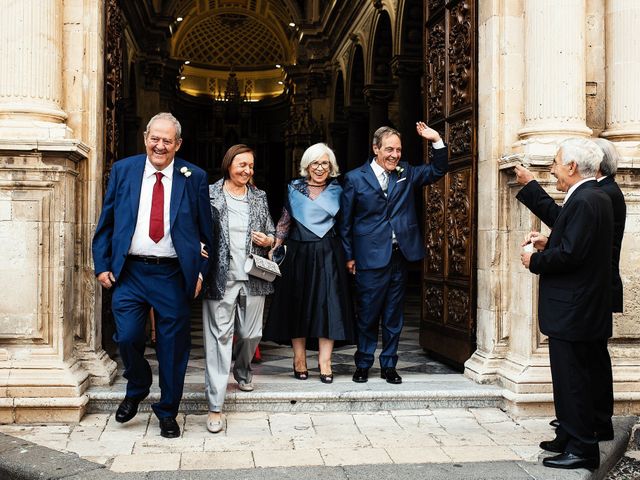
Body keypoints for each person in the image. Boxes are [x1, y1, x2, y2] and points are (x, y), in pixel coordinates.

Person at [92, 112, 213, 438]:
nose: (159, 145)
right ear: (146, 137)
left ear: (178, 144)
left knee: (173, 348)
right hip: (130, 272)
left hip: (172, 274)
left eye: (167, 140)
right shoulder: (124, 170)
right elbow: (107, 221)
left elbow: (207, 231)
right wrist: (102, 264)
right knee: (128, 337)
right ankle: (138, 385)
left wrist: (201, 272)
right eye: (154, 138)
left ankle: (168, 411)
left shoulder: (194, 177)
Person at [514, 137, 626, 439]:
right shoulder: (598, 194)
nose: (554, 168)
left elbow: (575, 248)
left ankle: (585, 430)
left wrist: (536, 259)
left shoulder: (597, 196)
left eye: (557, 161)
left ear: (580, 165)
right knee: (584, 368)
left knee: (582, 370)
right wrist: (550, 241)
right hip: (587, 295)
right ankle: (580, 426)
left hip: (584, 297)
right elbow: (575, 235)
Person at [339, 123, 448, 385]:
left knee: (393, 316)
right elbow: (345, 223)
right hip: (368, 257)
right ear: (376, 149)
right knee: (367, 314)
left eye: (398, 150)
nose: (394, 155)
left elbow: (437, 170)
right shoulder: (355, 178)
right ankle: (364, 363)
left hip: (399, 256)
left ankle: (389, 365)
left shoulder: (406, 172)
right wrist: (349, 256)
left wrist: (436, 140)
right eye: (389, 149)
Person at [263, 143, 355, 384]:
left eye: (325, 163)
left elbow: (345, 226)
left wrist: (350, 255)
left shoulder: (339, 189)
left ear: (331, 166)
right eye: (315, 163)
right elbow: (285, 221)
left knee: (330, 307)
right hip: (298, 253)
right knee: (298, 306)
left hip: (329, 253)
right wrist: (275, 245)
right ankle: (299, 359)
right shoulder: (294, 188)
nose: (320, 168)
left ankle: (325, 362)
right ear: (307, 165)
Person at [201, 144, 275, 434]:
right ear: (228, 164)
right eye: (242, 165)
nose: (247, 170)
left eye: (251, 166)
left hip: (253, 275)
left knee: (251, 333)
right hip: (220, 277)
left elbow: (270, 229)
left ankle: (243, 370)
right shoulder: (210, 194)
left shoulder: (259, 197)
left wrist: (269, 240)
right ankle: (215, 405)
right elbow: (196, 227)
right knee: (219, 339)